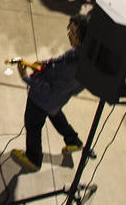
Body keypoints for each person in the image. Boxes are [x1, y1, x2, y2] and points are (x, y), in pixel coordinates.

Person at [10, 14, 94, 172]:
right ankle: (73, 141)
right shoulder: (80, 53)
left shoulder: (73, 69)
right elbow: (60, 61)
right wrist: (44, 64)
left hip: (42, 99)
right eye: (70, 29)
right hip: (55, 100)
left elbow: (51, 92)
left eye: (74, 33)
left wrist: (26, 78)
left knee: (33, 124)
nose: (69, 34)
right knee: (55, 113)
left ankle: (33, 159)